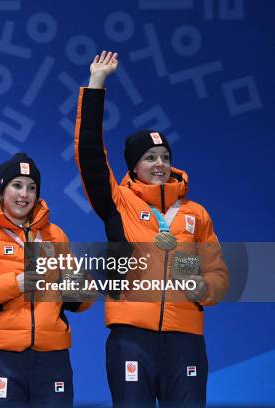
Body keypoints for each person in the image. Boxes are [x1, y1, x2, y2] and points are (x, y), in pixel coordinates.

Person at [74, 51, 229, 407]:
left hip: (186, 338)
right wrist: (96, 85)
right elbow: (90, 156)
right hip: (131, 337)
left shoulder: (196, 214)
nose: (159, 164)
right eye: (150, 158)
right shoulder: (120, 203)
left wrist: (205, 287)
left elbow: (218, 271)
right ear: (134, 166)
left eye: (164, 158)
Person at [0, 152, 90, 407]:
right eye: (16, 185)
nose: (24, 194)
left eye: (31, 187)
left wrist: (79, 283)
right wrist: (15, 284)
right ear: (2, 191)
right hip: (1, 357)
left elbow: (79, 302)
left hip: (53, 357)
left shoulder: (54, 234)